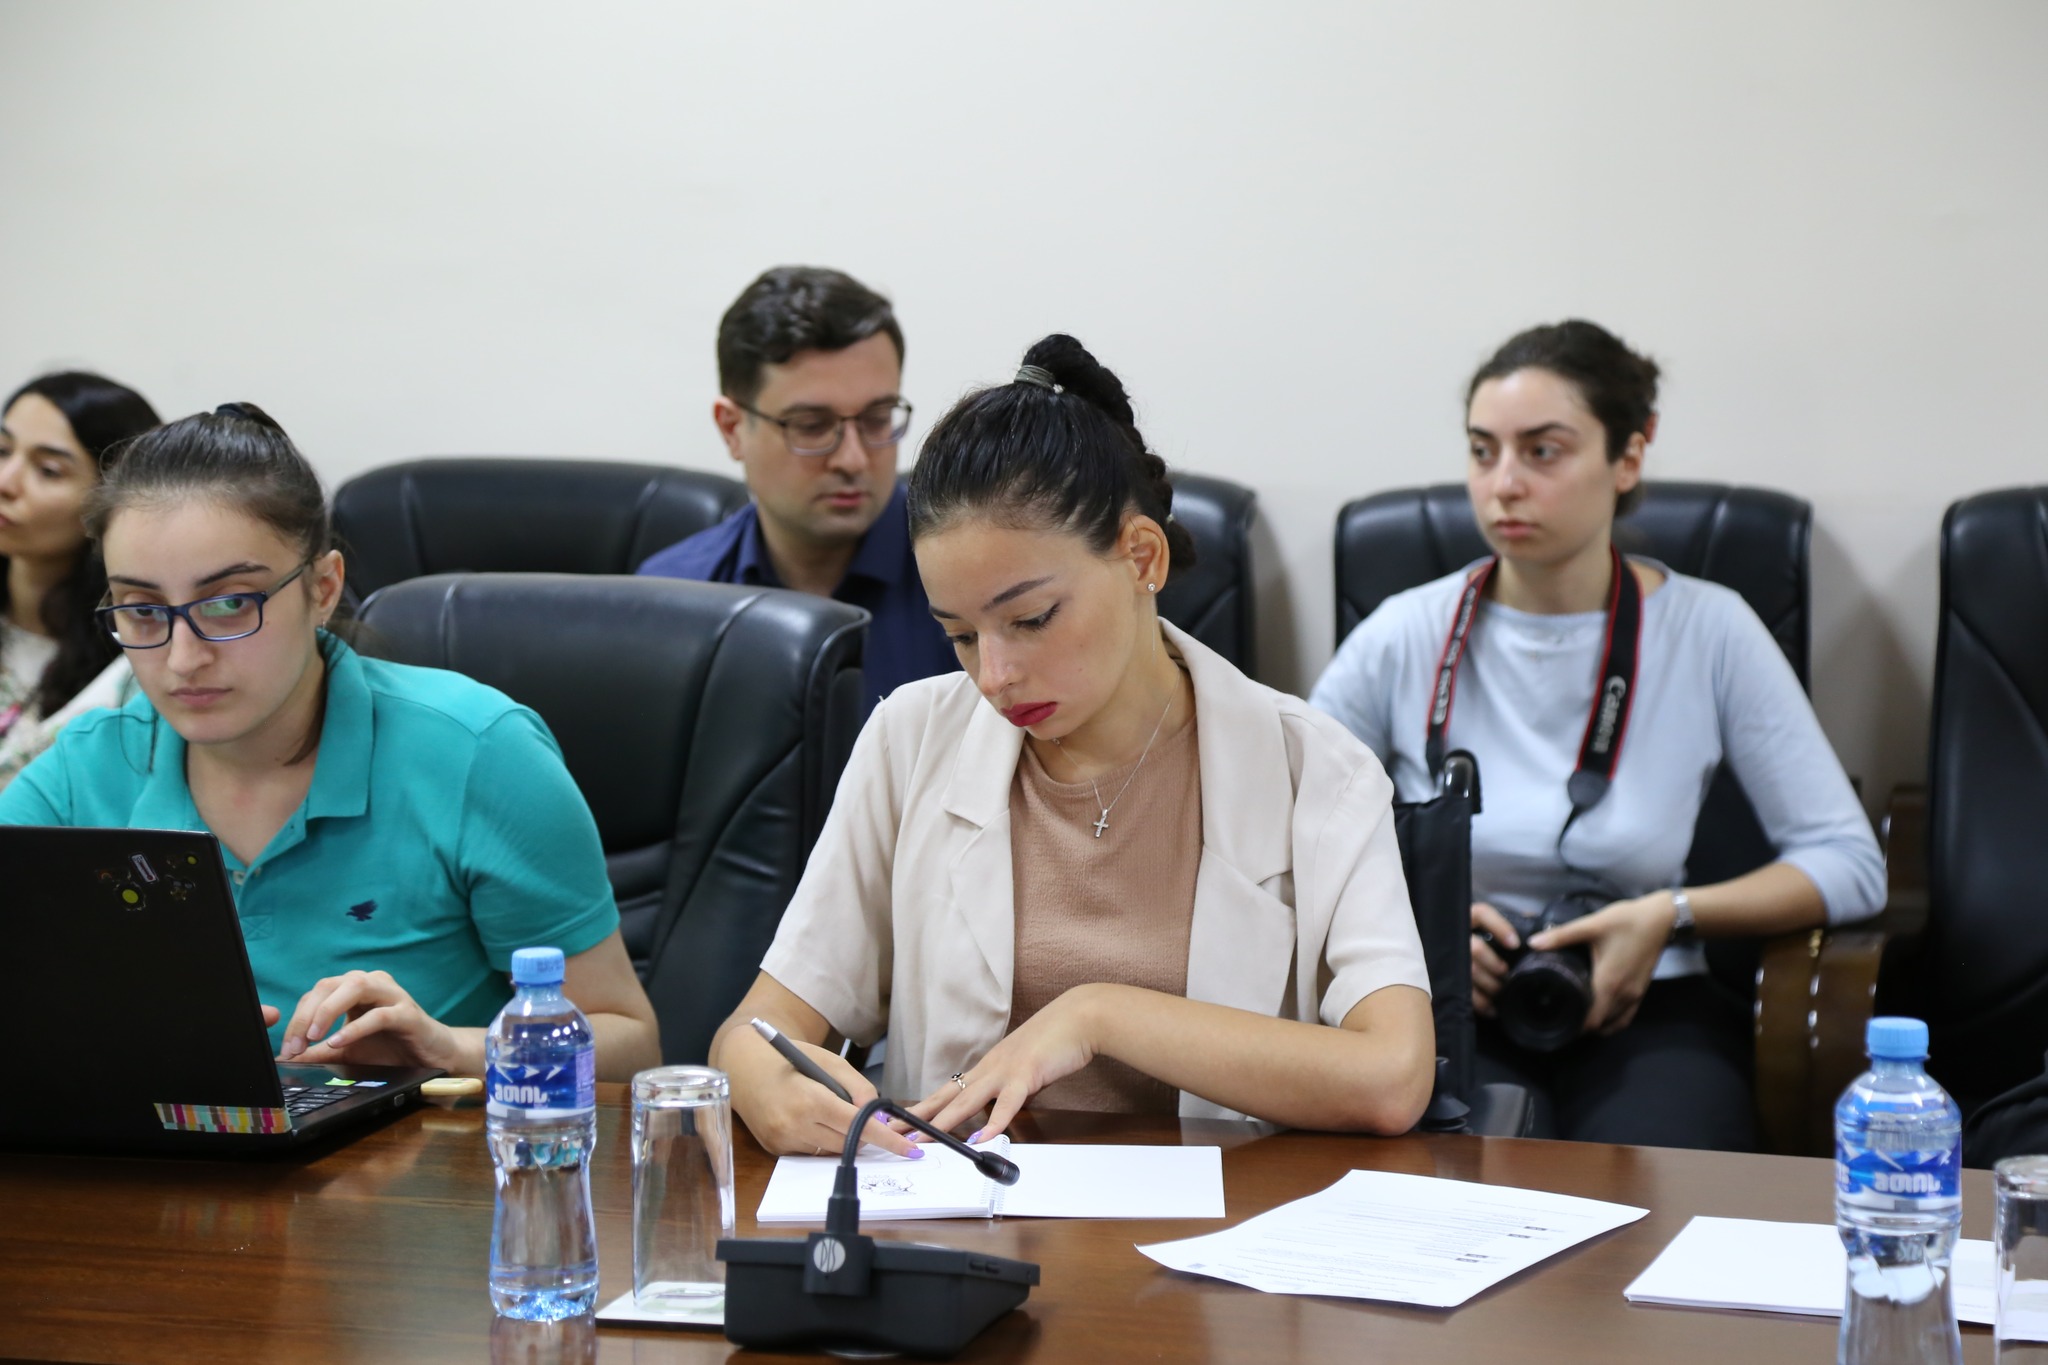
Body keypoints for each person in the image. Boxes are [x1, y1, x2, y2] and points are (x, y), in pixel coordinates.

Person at [708, 334, 1434, 1158]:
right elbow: (760, 1027)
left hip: (1223, 1227)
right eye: (961, 635)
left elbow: (1393, 1075)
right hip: (960, 1217)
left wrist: (1101, 1014)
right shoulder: (911, 739)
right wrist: (759, 1079)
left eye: (1031, 619)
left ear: (1142, 556)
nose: (995, 676)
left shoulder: (1314, 769)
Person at [1310, 320, 1885, 1151]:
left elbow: (1852, 864)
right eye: (1482, 451)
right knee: (1473, 1185)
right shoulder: (1406, 632)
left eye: (1543, 451)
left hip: (1650, 1003)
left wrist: (1667, 915)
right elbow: (1288, 832)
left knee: (1662, 1184)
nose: (1504, 485)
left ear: (1628, 457)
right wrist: (1422, 923)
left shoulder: (1710, 630)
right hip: (1435, 999)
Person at [0, 403, 661, 1080]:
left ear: (322, 588)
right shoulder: (85, 769)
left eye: (229, 603)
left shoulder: (478, 752)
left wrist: (450, 1050)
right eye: (143, 611)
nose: (182, 658)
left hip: (424, 1148)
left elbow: (631, 1044)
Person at [637, 265, 956, 712]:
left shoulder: (971, 582)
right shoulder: (671, 599)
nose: (853, 459)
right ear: (732, 429)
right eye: (811, 426)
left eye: (877, 418)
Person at [0, 372, 163, 788]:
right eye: (2, 451)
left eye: (48, 470)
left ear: (113, 499)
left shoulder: (138, 664)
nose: (5, 482)